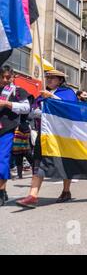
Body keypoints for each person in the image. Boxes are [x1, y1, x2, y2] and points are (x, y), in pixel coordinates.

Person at [16, 70, 77, 209]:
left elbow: (71, 109)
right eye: (47, 77)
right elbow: (32, 111)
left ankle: (66, 190)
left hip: (63, 135)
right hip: (44, 134)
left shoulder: (67, 93)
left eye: (52, 78)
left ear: (60, 80)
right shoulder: (41, 95)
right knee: (38, 161)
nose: (49, 80)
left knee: (64, 162)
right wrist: (41, 109)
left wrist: (52, 97)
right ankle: (33, 195)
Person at [0, 66, 31, 206]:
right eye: (2, 77)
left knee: (2, 160)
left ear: (13, 77)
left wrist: (7, 103)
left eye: (8, 77)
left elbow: (26, 108)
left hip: (7, 129)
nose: (5, 80)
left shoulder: (18, 91)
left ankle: (1, 190)